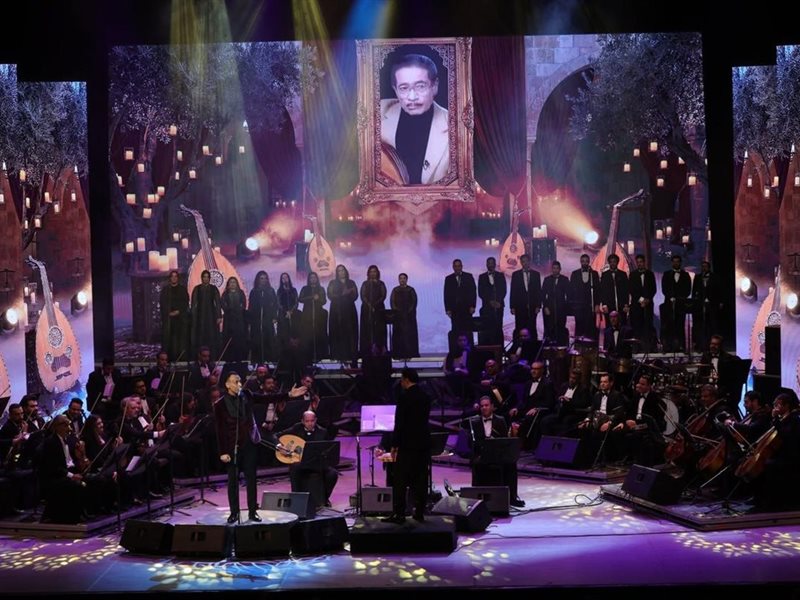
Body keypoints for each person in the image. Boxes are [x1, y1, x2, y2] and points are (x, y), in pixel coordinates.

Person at [380, 53, 449, 185]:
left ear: (434, 86)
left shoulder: (454, 125)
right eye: (403, 88)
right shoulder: (379, 112)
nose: (412, 97)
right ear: (395, 90)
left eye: (420, 86)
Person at [382, 368, 432, 524]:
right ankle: (419, 512)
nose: (401, 383)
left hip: (407, 444)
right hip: (422, 444)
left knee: (400, 479)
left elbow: (400, 423)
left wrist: (394, 444)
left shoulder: (404, 397)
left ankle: (399, 513)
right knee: (421, 478)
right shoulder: (425, 396)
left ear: (406, 379)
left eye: (402, 379)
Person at [214, 372, 261, 524]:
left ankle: (253, 512)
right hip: (232, 448)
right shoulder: (220, 405)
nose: (239, 384)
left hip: (249, 445)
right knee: (233, 481)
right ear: (227, 384)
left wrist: (288, 395)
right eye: (236, 382)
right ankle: (234, 512)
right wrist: (223, 452)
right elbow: (220, 430)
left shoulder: (246, 395)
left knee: (251, 480)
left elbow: (265, 398)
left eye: (240, 381)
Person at [463, 396, 525, 507]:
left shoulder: (500, 420)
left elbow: (505, 440)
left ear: (492, 406)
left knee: (511, 464)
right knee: (477, 462)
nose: (484, 408)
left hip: (497, 453)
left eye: (486, 405)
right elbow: (470, 443)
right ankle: (478, 498)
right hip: (482, 453)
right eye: (482, 406)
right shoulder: (474, 421)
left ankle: (511, 498)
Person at [276, 410, 338, 508]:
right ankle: (296, 498)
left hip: (317, 463)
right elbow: (276, 436)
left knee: (332, 474)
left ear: (316, 420)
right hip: (301, 462)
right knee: (294, 467)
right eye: (307, 421)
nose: (310, 423)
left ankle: (324, 499)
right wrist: (279, 446)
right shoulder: (296, 428)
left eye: (312, 421)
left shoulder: (323, 432)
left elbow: (327, 450)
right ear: (302, 421)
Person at [327, 264, 359, 365]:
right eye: (339, 271)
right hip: (337, 311)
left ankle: (351, 356)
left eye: (343, 270)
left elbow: (355, 295)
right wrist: (342, 294)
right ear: (337, 273)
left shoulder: (351, 282)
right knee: (338, 332)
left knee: (350, 332)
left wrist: (349, 293)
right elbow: (330, 295)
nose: (341, 272)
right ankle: (338, 356)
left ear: (346, 271)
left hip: (349, 310)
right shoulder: (333, 283)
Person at [443, 258, 477, 352]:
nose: (457, 268)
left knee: (468, 330)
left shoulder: (468, 276)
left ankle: (470, 352)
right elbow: (446, 294)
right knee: (456, 331)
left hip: (467, 309)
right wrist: (448, 309)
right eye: (455, 266)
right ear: (453, 267)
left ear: (462, 266)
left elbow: (473, 292)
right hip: (455, 310)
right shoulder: (448, 279)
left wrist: (473, 306)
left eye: (459, 266)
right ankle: (456, 352)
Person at [660, 255, 691, 352]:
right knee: (669, 325)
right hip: (669, 304)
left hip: (681, 304)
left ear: (680, 263)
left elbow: (688, 289)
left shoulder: (686, 275)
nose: (676, 263)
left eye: (677, 261)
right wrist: (670, 297)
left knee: (680, 324)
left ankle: (681, 346)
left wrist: (679, 298)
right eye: (674, 261)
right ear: (671, 262)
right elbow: (664, 288)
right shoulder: (666, 274)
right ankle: (669, 346)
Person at [691, 260, 723, 352]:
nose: (704, 268)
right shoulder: (697, 277)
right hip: (700, 305)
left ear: (709, 267)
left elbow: (719, 290)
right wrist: (694, 301)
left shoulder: (715, 277)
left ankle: (714, 345)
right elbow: (694, 290)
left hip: (712, 304)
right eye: (702, 266)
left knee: (712, 325)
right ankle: (700, 345)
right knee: (700, 326)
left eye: (705, 266)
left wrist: (720, 301)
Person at [298, 271, 329, 364]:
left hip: (318, 316)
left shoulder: (321, 289)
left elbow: (324, 301)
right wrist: (311, 297)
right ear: (309, 279)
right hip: (307, 315)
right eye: (311, 277)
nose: (313, 279)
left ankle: (319, 357)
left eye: (314, 277)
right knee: (307, 336)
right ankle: (308, 358)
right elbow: (300, 299)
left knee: (318, 335)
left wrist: (318, 298)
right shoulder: (305, 288)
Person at [276, 272, 302, 383]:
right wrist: (285, 312)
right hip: (283, 316)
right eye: (282, 278)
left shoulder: (293, 290)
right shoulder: (279, 291)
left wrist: (291, 311)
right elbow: (278, 303)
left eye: (286, 277)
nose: (284, 279)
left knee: (294, 334)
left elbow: (296, 302)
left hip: (293, 315)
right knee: (284, 335)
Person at [569, 253, 601, 341]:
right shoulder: (575, 274)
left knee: (590, 327)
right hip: (578, 306)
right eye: (583, 261)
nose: (585, 263)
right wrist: (573, 306)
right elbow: (571, 291)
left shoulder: (594, 274)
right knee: (579, 327)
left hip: (591, 306)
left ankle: (591, 347)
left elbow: (598, 290)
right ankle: (579, 347)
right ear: (580, 262)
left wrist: (597, 304)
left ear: (589, 262)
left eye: (586, 261)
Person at [190, 269, 222, 359]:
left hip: (211, 316)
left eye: (207, 277)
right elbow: (193, 304)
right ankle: (200, 357)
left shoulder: (213, 289)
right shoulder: (197, 289)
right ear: (201, 278)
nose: (206, 279)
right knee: (200, 336)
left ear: (209, 278)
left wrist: (219, 316)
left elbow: (218, 303)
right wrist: (193, 317)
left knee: (212, 337)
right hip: (200, 316)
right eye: (204, 277)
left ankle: (212, 357)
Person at [509, 254, 541, 341]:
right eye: (523, 261)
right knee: (519, 327)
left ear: (529, 262)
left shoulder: (536, 274)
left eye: (526, 261)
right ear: (521, 262)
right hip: (519, 307)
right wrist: (512, 307)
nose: (525, 263)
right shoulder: (516, 275)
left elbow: (538, 291)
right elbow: (513, 291)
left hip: (532, 307)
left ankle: (533, 346)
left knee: (532, 327)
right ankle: (519, 346)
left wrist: (538, 305)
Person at [248, 271, 278, 364]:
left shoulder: (271, 291)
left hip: (267, 319)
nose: (263, 280)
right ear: (258, 280)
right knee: (257, 341)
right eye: (261, 278)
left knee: (268, 340)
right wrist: (250, 321)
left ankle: (268, 362)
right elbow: (250, 307)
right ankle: (257, 362)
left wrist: (274, 316)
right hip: (256, 321)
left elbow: (275, 305)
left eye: (265, 278)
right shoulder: (254, 291)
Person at [629, 254, 657, 351]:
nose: (639, 264)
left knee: (648, 325)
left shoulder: (650, 274)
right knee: (637, 326)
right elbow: (632, 290)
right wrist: (641, 300)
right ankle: (637, 347)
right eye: (638, 262)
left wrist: (647, 299)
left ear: (644, 262)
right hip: (637, 305)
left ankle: (648, 347)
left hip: (648, 304)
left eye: (641, 262)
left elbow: (653, 289)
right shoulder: (633, 275)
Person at [159, 270, 189, 362]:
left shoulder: (182, 290)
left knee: (179, 339)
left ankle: (180, 358)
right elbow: (162, 303)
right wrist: (168, 313)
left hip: (180, 318)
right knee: (169, 339)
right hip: (169, 319)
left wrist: (178, 311)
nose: (174, 278)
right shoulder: (165, 290)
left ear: (178, 278)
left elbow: (185, 302)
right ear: (170, 278)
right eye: (172, 276)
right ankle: (168, 358)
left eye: (175, 276)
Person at [389, 272, 420, 359]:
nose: (402, 280)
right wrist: (397, 311)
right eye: (400, 278)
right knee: (398, 336)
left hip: (409, 318)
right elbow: (392, 302)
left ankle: (410, 353)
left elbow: (414, 302)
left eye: (404, 278)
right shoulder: (395, 290)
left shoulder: (411, 290)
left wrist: (408, 312)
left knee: (409, 335)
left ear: (406, 279)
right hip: (398, 317)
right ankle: (398, 354)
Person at [477, 257, 506, 346]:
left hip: (499, 306)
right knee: (487, 329)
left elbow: (503, 290)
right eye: (489, 263)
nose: (490, 265)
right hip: (487, 307)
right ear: (486, 265)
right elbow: (481, 292)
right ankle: (488, 348)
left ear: (495, 264)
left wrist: (498, 301)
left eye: (492, 263)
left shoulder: (500, 276)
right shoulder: (482, 277)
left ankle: (500, 348)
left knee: (498, 327)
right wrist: (490, 302)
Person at [359, 265, 387, 356]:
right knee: (368, 328)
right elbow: (363, 296)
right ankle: (368, 349)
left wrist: (375, 305)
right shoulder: (365, 284)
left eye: (374, 271)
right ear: (368, 273)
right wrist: (369, 305)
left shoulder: (381, 283)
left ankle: (380, 348)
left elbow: (383, 296)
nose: (373, 273)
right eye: (371, 272)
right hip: (366, 309)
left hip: (379, 308)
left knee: (379, 328)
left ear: (377, 273)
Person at [541, 260, 569, 346]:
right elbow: (542, 295)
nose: (555, 270)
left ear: (560, 269)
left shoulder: (565, 279)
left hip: (561, 309)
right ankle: (548, 347)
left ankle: (560, 347)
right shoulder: (547, 280)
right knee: (549, 329)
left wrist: (566, 307)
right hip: (549, 309)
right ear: (551, 269)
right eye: (554, 268)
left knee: (560, 329)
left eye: (557, 268)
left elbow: (569, 294)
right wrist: (545, 307)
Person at [220, 277, 248, 362]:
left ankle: (239, 358)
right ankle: (229, 359)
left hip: (239, 320)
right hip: (229, 320)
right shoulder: (225, 294)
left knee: (239, 340)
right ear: (228, 284)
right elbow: (223, 305)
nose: (232, 284)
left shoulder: (241, 293)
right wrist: (229, 310)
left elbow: (243, 305)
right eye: (231, 282)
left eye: (234, 282)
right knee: (229, 340)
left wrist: (239, 310)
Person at [599, 253, 629, 328]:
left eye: (614, 261)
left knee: (622, 325)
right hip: (609, 305)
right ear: (609, 263)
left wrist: (626, 304)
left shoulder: (623, 274)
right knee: (609, 326)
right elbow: (602, 291)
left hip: (621, 305)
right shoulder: (605, 275)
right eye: (611, 262)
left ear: (617, 262)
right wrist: (604, 304)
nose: (613, 263)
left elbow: (626, 290)